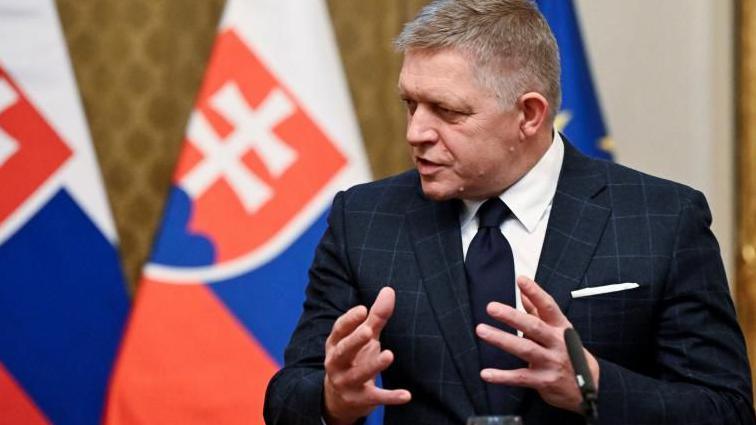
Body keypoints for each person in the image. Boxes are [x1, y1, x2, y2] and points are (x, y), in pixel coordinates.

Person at [264, 0, 754, 423]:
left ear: (529, 114)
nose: (416, 132)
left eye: (447, 111)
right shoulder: (365, 219)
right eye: (411, 105)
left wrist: (594, 383)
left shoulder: (662, 219)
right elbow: (286, 398)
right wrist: (333, 399)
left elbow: (725, 409)